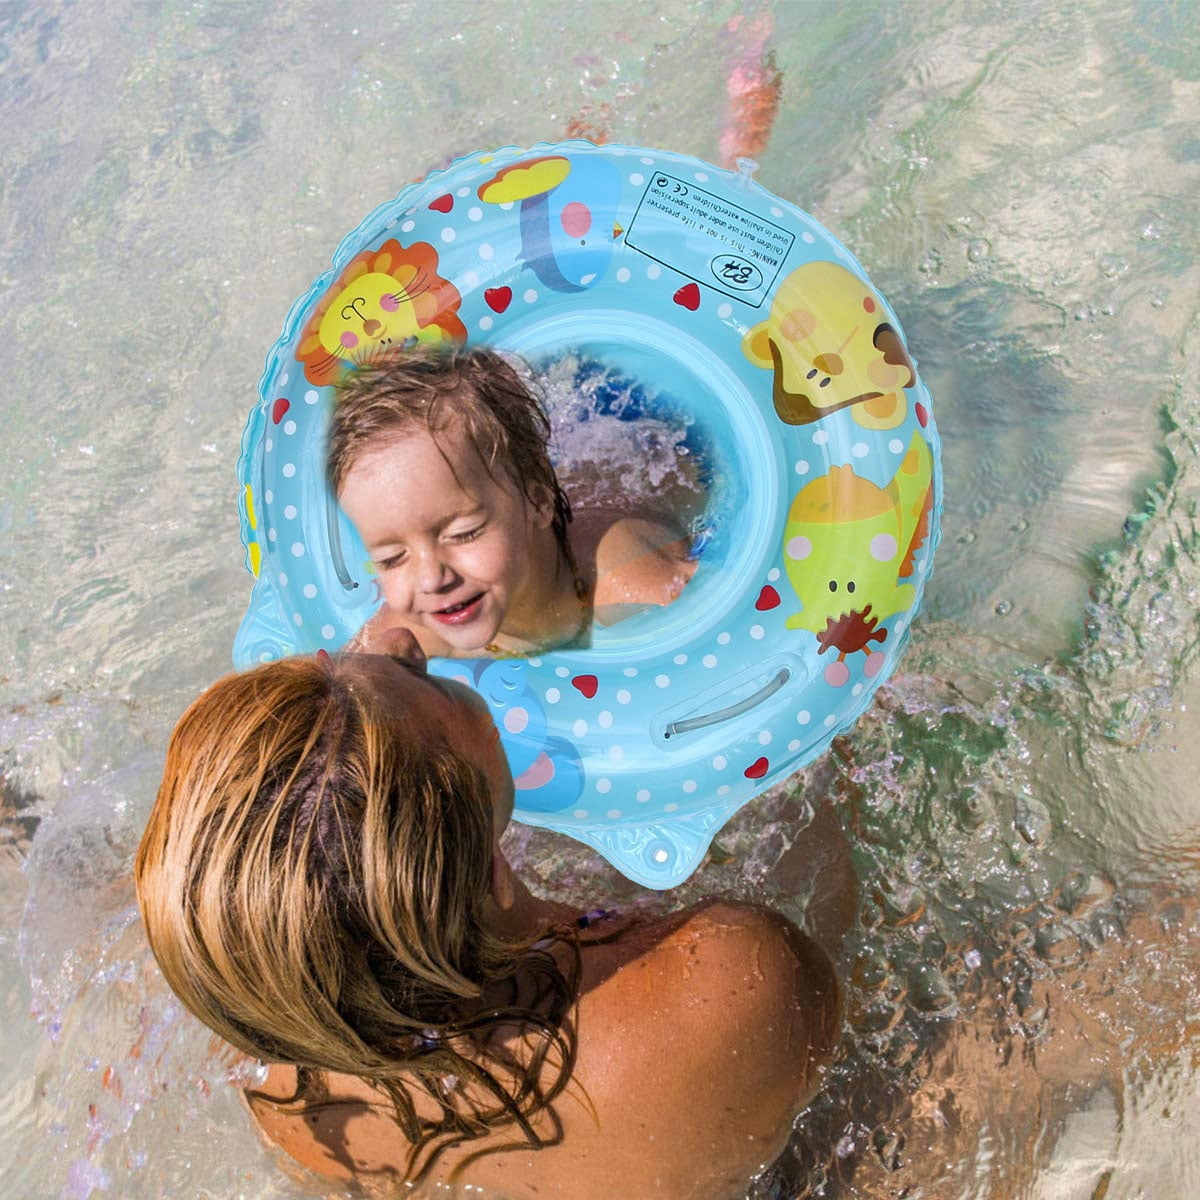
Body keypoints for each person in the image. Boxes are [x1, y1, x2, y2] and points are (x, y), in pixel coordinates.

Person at [134, 629, 846, 1199]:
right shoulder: (729, 984)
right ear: (496, 873)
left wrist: (368, 695)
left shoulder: (291, 1104)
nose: (397, 647)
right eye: (431, 684)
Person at [327, 345, 697, 659]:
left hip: (658, 470)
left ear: (538, 502)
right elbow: (336, 690)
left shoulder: (625, 581)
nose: (430, 579)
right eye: (392, 558)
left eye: (463, 534)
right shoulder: (418, 625)